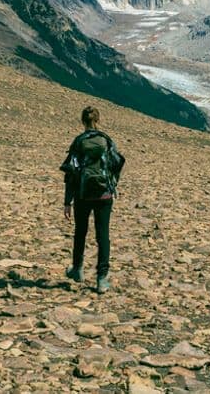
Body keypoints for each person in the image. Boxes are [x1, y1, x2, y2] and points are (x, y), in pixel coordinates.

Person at [60, 106, 125, 294]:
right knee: (102, 235)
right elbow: (117, 163)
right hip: (104, 195)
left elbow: (71, 172)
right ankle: (102, 279)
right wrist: (112, 183)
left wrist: (67, 201)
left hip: (83, 195)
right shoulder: (107, 140)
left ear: (83, 121)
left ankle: (77, 270)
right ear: (99, 120)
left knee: (80, 232)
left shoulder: (79, 142)